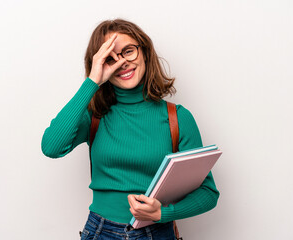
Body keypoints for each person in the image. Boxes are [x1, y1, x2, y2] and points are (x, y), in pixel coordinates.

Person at [41, 18, 219, 240]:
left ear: (144, 52)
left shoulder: (177, 117)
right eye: (110, 58)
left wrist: (163, 213)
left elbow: (208, 193)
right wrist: (93, 81)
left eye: (128, 51)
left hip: (157, 233)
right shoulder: (95, 115)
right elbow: (51, 147)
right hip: (99, 232)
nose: (122, 63)